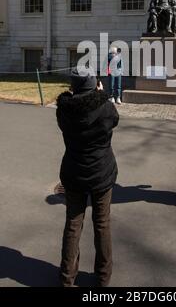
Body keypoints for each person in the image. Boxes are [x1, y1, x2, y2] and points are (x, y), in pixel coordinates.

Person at [56, 68, 119, 287]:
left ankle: (67, 278)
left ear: (73, 87)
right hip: (101, 171)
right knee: (102, 223)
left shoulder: (63, 110)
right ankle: (103, 277)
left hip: (74, 171)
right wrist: (101, 94)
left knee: (73, 223)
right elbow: (114, 120)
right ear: (95, 85)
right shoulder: (106, 107)